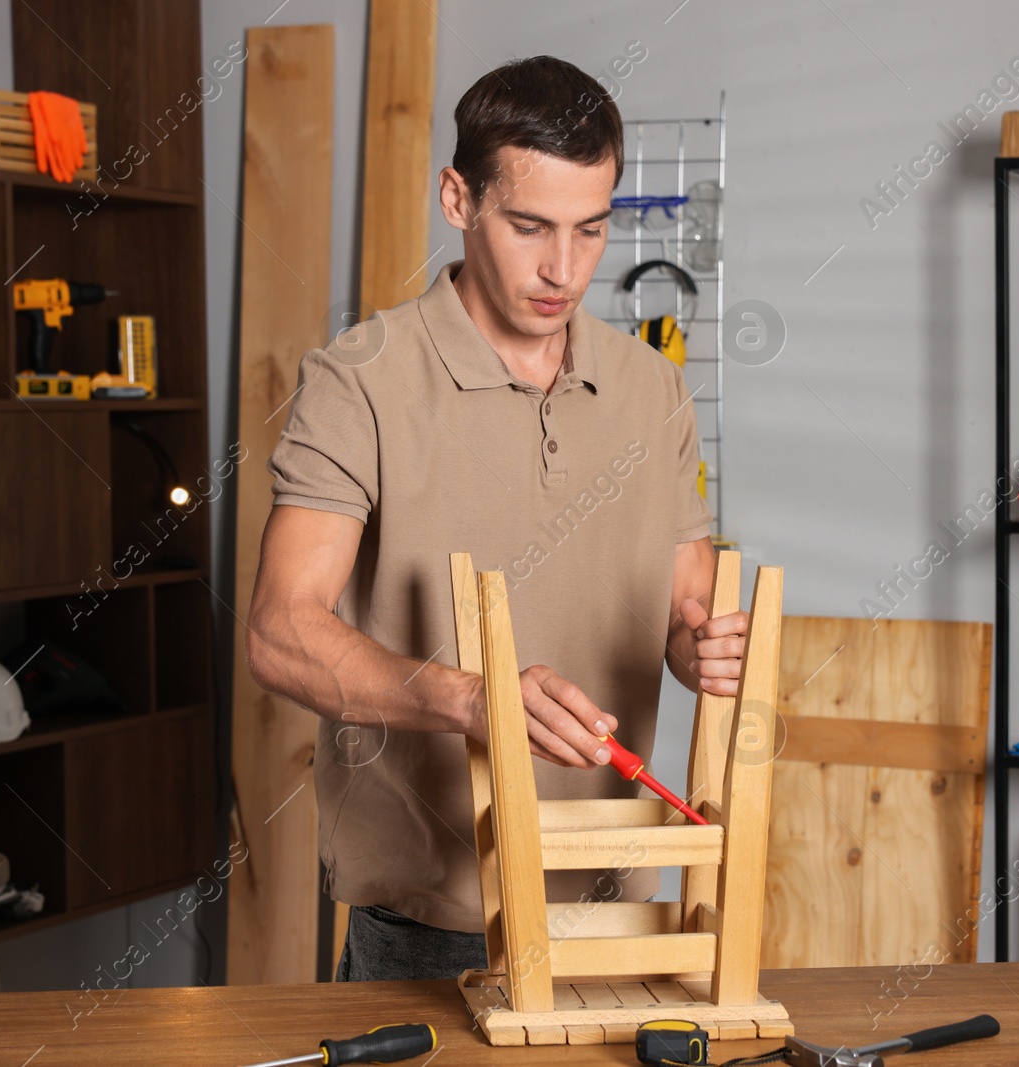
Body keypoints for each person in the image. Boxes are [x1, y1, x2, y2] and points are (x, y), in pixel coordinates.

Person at [247, 54, 747, 982]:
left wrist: (706, 647)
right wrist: (473, 699)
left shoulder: (652, 388)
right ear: (457, 198)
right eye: (529, 227)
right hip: (429, 926)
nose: (563, 269)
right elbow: (280, 633)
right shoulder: (361, 379)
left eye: (591, 230)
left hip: (614, 907)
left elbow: (687, 614)